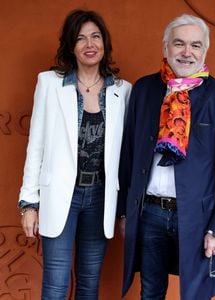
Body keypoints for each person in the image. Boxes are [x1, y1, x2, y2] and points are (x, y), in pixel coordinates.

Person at [117, 14, 215, 300]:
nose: (187, 52)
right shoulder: (145, 90)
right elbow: (129, 154)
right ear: (165, 48)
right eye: (179, 44)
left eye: (196, 45)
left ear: (204, 51)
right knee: (150, 292)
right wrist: (125, 212)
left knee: (196, 295)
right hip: (149, 213)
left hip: (198, 218)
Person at [18, 9, 131, 299]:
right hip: (60, 196)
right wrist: (29, 203)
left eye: (95, 36)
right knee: (55, 286)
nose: (89, 44)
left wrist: (126, 209)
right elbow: (37, 146)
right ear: (71, 46)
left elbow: (127, 154)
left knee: (89, 284)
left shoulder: (122, 91)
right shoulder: (50, 83)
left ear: (104, 43)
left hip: (101, 197)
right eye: (80, 38)